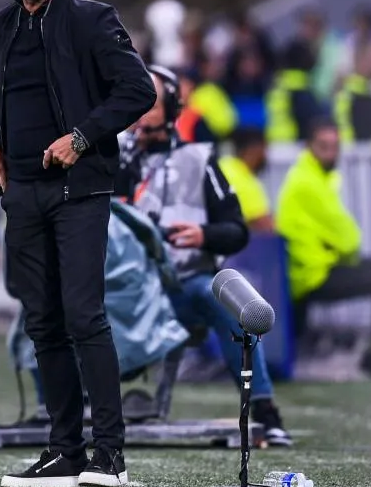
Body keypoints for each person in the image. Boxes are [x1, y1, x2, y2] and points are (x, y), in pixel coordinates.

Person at [0, 0, 156, 487]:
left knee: (83, 315)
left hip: (79, 190)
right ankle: (65, 451)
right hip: (21, 193)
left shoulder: (91, 19)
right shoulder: (0, 26)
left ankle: (110, 456)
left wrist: (80, 138)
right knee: (42, 321)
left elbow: (138, 90)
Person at [125, 66, 292, 446]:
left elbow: (236, 230)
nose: (138, 110)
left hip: (181, 286)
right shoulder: (107, 158)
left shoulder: (197, 160)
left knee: (224, 301)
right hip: (121, 289)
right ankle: (60, 410)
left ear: (172, 109)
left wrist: (204, 235)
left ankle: (264, 410)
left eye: (149, 102)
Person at [276, 117, 371, 376]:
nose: (330, 153)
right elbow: (350, 241)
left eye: (335, 146)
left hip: (310, 274)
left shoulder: (308, 176)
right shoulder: (308, 183)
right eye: (323, 146)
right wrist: (337, 249)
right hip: (315, 277)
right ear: (308, 146)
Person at [218, 128, 274, 232]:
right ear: (255, 150)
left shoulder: (222, 165)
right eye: (264, 151)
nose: (265, 157)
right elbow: (264, 224)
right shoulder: (245, 180)